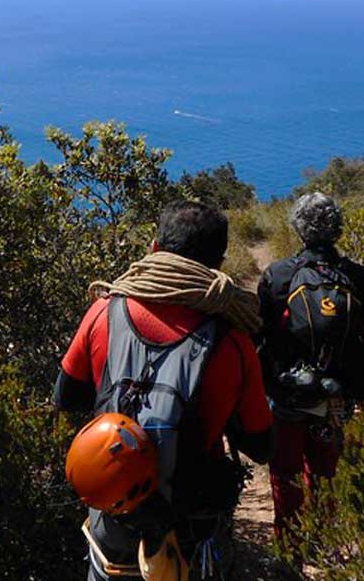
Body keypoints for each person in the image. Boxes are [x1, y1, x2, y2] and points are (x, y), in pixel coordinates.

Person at [56, 200, 273, 580]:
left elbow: (66, 398)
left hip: (112, 520)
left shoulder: (103, 312)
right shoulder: (233, 342)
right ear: (218, 264)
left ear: (154, 247)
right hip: (190, 528)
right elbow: (260, 444)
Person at [258, 192, 364, 540]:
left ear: (299, 229)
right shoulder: (357, 277)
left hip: (289, 397)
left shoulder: (278, 276)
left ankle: (290, 544)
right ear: (336, 228)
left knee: (285, 472)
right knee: (326, 473)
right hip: (337, 400)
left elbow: (265, 337)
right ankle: (326, 542)